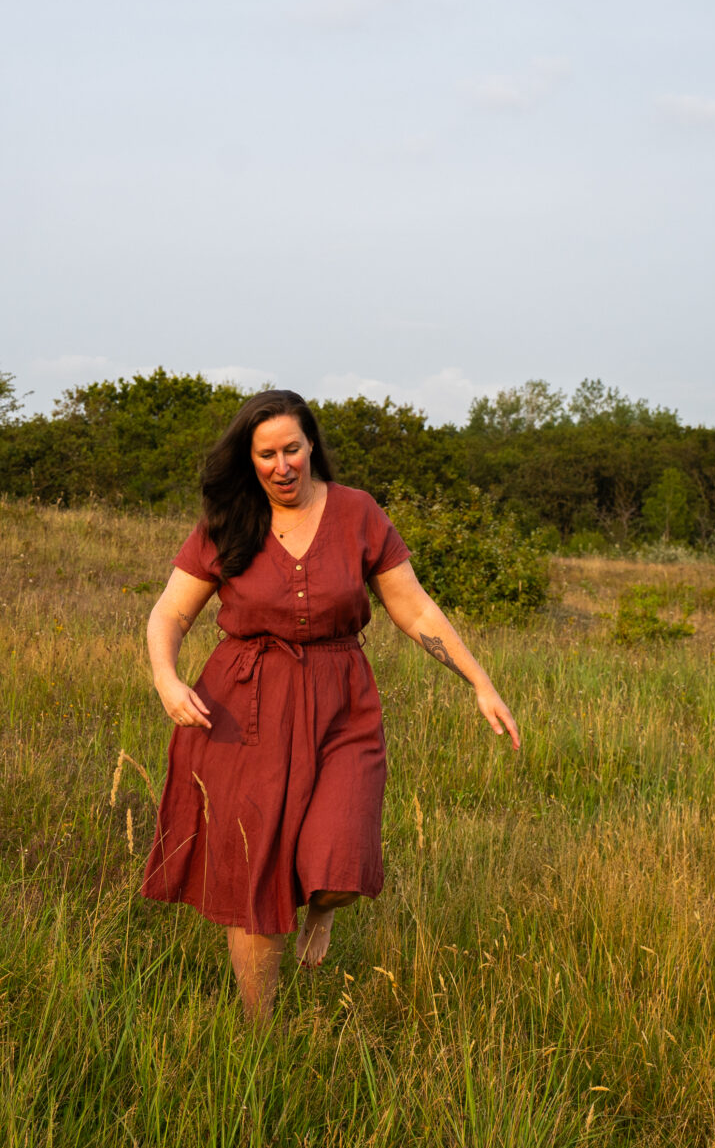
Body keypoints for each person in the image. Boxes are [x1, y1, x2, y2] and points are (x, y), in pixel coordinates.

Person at [142, 390, 521, 1021]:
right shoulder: (228, 519)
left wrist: (480, 682)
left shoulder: (357, 513)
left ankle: (321, 909)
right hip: (244, 708)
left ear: (312, 444)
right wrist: (166, 679)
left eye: (292, 448)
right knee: (254, 878)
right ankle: (259, 1038)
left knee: (344, 858)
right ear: (250, 458)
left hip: (341, 703)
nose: (282, 465)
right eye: (267, 454)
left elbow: (415, 608)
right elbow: (172, 612)